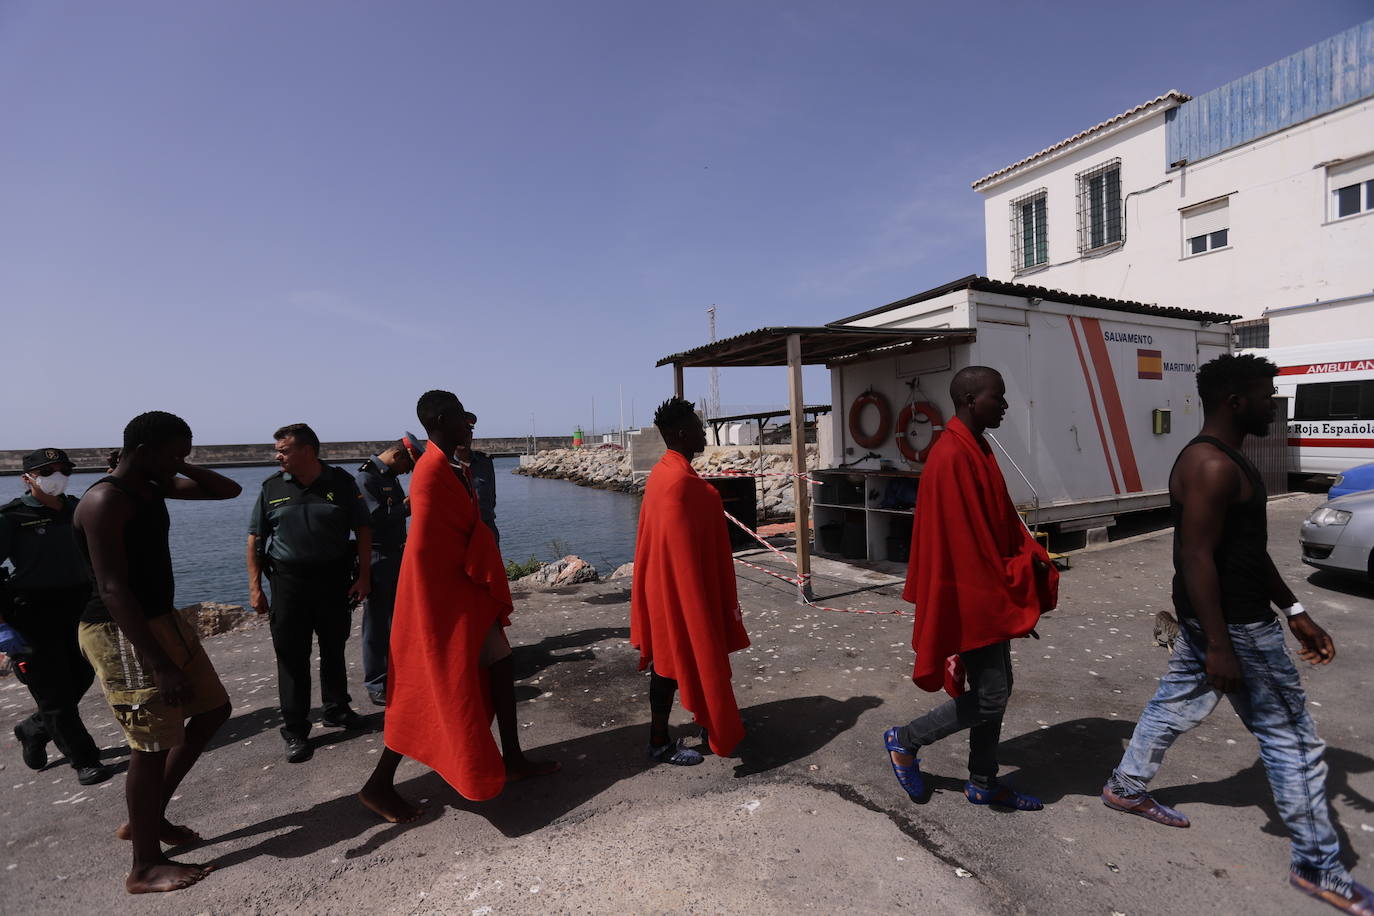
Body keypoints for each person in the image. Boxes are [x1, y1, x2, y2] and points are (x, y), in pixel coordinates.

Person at [1101, 354, 1371, 915]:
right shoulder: (1210, 466)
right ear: (1235, 401)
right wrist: (1222, 644)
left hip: (1228, 618)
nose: (1275, 403)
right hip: (1236, 626)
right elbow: (1196, 556)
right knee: (1290, 738)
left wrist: (1294, 608)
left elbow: (1242, 552)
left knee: (1177, 700)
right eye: (1267, 393)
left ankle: (1125, 788)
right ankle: (1319, 867)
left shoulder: (1229, 461)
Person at [359, 390, 556, 823]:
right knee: (431, 690)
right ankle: (378, 784)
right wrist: (476, 561)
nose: (471, 424)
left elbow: (462, 530)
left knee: (501, 665)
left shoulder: (450, 465)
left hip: (464, 592)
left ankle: (513, 758)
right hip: (443, 600)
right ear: (445, 420)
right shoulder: (430, 471)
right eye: (465, 418)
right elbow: (431, 549)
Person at [74, 411, 241, 894]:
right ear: (143, 452)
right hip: (120, 631)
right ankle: (143, 866)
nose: (179, 463)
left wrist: (176, 467)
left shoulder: (150, 485)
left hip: (162, 618)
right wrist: (161, 665)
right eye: (173, 454)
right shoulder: (105, 500)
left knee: (213, 710)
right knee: (150, 744)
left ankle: (147, 818)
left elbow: (225, 490)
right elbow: (111, 589)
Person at [883, 366, 1058, 810]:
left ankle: (982, 780)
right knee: (992, 693)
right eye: (997, 398)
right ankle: (905, 740)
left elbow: (997, 525)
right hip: (971, 594)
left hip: (985, 590)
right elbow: (965, 548)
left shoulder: (977, 445)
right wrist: (1010, 593)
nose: (1004, 405)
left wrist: (1023, 571)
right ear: (969, 399)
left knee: (997, 688)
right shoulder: (953, 455)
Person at [630, 396, 749, 766]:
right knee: (672, 662)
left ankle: (667, 734)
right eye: (698, 426)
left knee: (668, 662)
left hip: (663, 586)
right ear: (682, 433)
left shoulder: (664, 472)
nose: (703, 431)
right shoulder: (681, 482)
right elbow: (684, 549)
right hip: (678, 592)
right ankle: (660, 741)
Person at [247, 423, 372, 763]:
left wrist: (364, 577)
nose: (277, 456)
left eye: (283, 450)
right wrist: (255, 587)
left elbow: (362, 530)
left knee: (334, 647)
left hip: (333, 580)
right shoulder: (272, 487)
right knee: (291, 656)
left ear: (307, 451)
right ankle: (296, 729)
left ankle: (337, 709)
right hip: (289, 584)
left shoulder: (342, 483)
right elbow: (255, 538)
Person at [0, 448, 111, 785]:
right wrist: (2, 627)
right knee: (52, 692)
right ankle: (84, 759)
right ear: (27, 478)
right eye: (47, 471)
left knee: (82, 676)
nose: (56, 477)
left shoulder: (78, 508)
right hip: (33, 611)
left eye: (63, 470)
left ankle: (33, 728)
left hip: (80, 604)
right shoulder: (11, 517)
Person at [353, 441, 416, 707]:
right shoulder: (366, 477)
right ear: (397, 454)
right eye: (406, 465)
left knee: (398, 618)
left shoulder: (387, 476)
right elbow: (374, 517)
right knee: (377, 622)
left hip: (397, 553)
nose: (406, 471)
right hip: (378, 556)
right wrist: (408, 506)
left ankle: (399, 672)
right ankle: (377, 681)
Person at [454, 412, 499, 543]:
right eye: (459, 433)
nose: (463, 437)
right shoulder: (444, 464)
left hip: (486, 528)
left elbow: (492, 499)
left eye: (467, 432)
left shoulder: (485, 462)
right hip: (459, 533)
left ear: (471, 435)